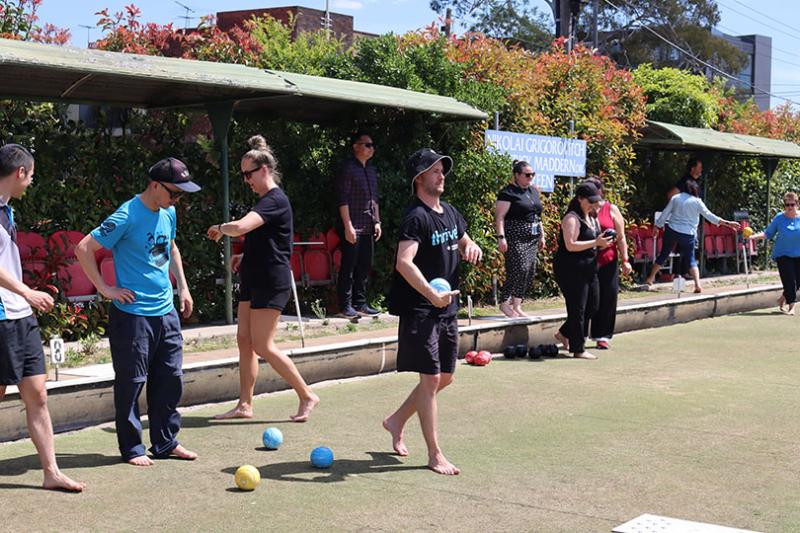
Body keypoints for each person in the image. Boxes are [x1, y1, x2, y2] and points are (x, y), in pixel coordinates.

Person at [76, 157, 199, 466]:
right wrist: (105, 289)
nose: (177, 200)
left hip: (166, 311)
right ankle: (132, 448)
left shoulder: (168, 212)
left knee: (170, 379)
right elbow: (84, 248)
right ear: (155, 185)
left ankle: (166, 443)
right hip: (132, 316)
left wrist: (182, 287)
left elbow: (170, 248)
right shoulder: (126, 215)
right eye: (174, 192)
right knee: (132, 383)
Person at [383, 148, 482, 475]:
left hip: (446, 309)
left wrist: (471, 246)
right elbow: (403, 262)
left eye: (442, 170)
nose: (441, 175)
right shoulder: (416, 217)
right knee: (430, 380)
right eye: (434, 170)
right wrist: (429, 294)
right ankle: (435, 454)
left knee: (445, 378)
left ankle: (396, 420)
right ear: (419, 178)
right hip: (421, 309)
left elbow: (463, 239)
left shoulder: (450, 212)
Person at [208, 135, 319, 421]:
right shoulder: (264, 202)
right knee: (244, 340)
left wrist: (222, 227)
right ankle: (245, 405)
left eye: (249, 174)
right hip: (253, 277)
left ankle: (307, 395)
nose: (246, 180)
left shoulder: (275, 200)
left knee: (263, 345)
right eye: (243, 174)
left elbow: (242, 226)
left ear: (264, 170)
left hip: (272, 280)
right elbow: (270, 241)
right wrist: (243, 257)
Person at [0, 144, 85, 491]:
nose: (31, 183)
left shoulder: (7, 211)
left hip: (21, 316)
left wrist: (25, 297)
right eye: (31, 176)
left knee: (38, 394)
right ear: (20, 172)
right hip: (3, 316)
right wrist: (27, 292)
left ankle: (51, 473)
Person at [644, 180, 739, 293]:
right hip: (688, 233)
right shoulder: (697, 201)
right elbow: (710, 216)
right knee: (691, 259)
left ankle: (650, 279)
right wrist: (728, 223)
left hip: (672, 230)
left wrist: (657, 226)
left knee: (664, 254)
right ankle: (697, 285)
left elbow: (665, 213)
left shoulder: (676, 198)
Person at [553, 181, 611, 360]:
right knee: (577, 308)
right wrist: (595, 242)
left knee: (593, 305)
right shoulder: (571, 218)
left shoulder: (592, 217)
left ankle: (564, 333)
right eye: (590, 201)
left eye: (596, 201)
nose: (594, 204)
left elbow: (593, 241)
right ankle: (578, 349)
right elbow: (570, 245)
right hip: (570, 268)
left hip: (589, 266)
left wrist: (603, 242)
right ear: (579, 199)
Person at [336, 131, 382, 318]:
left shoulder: (371, 170)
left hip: (369, 226)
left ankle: (360, 303)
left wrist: (377, 221)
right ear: (355, 146)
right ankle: (345, 306)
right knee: (348, 266)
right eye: (367, 145)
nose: (371, 148)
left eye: (372, 145)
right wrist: (348, 226)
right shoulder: (348, 169)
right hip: (353, 226)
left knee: (364, 266)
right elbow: (342, 198)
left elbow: (374, 198)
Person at [583, 177, 632, 350]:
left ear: (599, 191)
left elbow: (621, 236)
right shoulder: (581, 209)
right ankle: (578, 335)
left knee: (607, 298)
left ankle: (601, 335)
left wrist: (625, 260)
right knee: (586, 299)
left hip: (608, 260)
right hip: (586, 260)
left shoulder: (611, 209)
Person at [495, 160, 545, 318]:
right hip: (515, 236)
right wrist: (501, 237)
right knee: (518, 268)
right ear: (517, 175)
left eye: (533, 175)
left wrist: (541, 235)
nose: (531, 177)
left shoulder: (533, 191)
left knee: (529, 271)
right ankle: (504, 303)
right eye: (527, 174)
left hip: (532, 237)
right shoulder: (508, 193)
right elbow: (500, 217)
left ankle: (517, 305)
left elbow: (537, 216)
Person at [750, 192, 800, 315]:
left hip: (798, 254)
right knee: (789, 280)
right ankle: (792, 306)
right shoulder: (779, 218)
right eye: (786, 204)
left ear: (797, 204)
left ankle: (782, 298)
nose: (789, 207)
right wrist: (753, 237)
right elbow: (768, 234)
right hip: (783, 255)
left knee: (798, 281)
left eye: (792, 204)